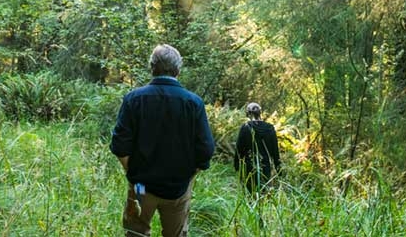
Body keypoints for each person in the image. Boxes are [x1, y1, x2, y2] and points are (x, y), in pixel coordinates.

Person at [110, 44, 216, 237]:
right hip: (178, 189)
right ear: (178, 69)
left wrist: (132, 172)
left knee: (136, 234)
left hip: (141, 186)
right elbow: (206, 150)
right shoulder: (193, 103)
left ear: (152, 67)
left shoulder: (133, 99)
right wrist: (189, 176)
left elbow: (120, 146)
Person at [234, 102, 281, 193]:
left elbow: (239, 149)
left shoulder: (245, 127)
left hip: (249, 166)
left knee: (250, 195)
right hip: (265, 166)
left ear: (248, 113)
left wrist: (237, 166)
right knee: (263, 193)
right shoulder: (270, 128)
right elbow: (275, 151)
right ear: (260, 113)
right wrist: (278, 168)